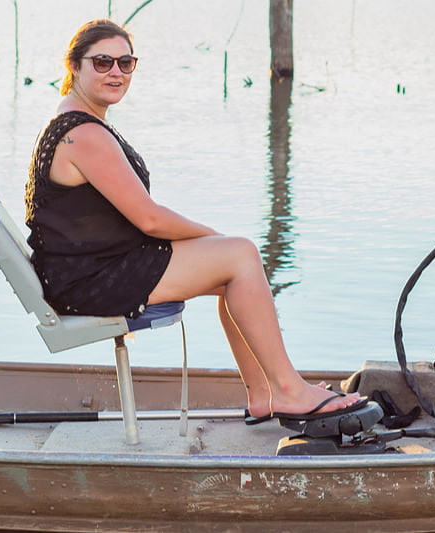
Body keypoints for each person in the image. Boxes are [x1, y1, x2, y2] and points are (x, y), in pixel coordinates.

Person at [24, 19, 365, 424]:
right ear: (74, 66)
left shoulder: (73, 117)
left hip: (86, 269)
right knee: (240, 256)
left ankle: (264, 393)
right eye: (101, 62)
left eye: (125, 62)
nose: (115, 72)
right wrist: (215, 239)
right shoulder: (83, 134)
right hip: (89, 281)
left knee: (232, 271)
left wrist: (216, 248)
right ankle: (290, 391)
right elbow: (149, 219)